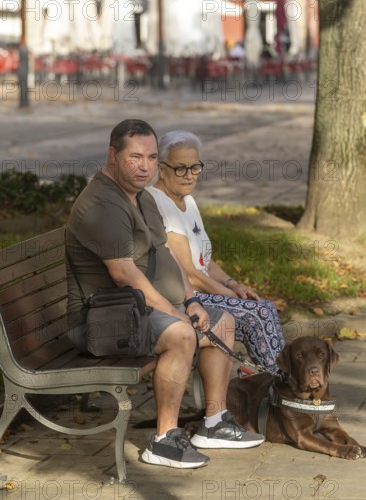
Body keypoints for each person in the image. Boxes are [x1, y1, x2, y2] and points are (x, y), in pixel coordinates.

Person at [65, 119, 264, 471]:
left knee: (221, 321)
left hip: (135, 311)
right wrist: (174, 314)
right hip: (102, 320)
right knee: (181, 334)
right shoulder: (101, 204)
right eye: (135, 157)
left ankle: (215, 423)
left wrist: (191, 301)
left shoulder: (142, 196)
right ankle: (164, 440)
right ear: (113, 155)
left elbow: (167, 256)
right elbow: (123, 273)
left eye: (152, 158)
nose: (145, 166)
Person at [147, 130, 285, 373]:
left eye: (195, 168)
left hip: (205, 291)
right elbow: (189, 274)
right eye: (180, 168)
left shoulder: (187, 200)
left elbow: (206, 261)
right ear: (162, 168)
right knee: (259, 313)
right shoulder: (158, 202)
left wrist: (233, 285)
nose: (189, 176)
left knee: (263, 307)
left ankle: (275, 383)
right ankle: (281, 384)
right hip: (183, 299)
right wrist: (228, 296)